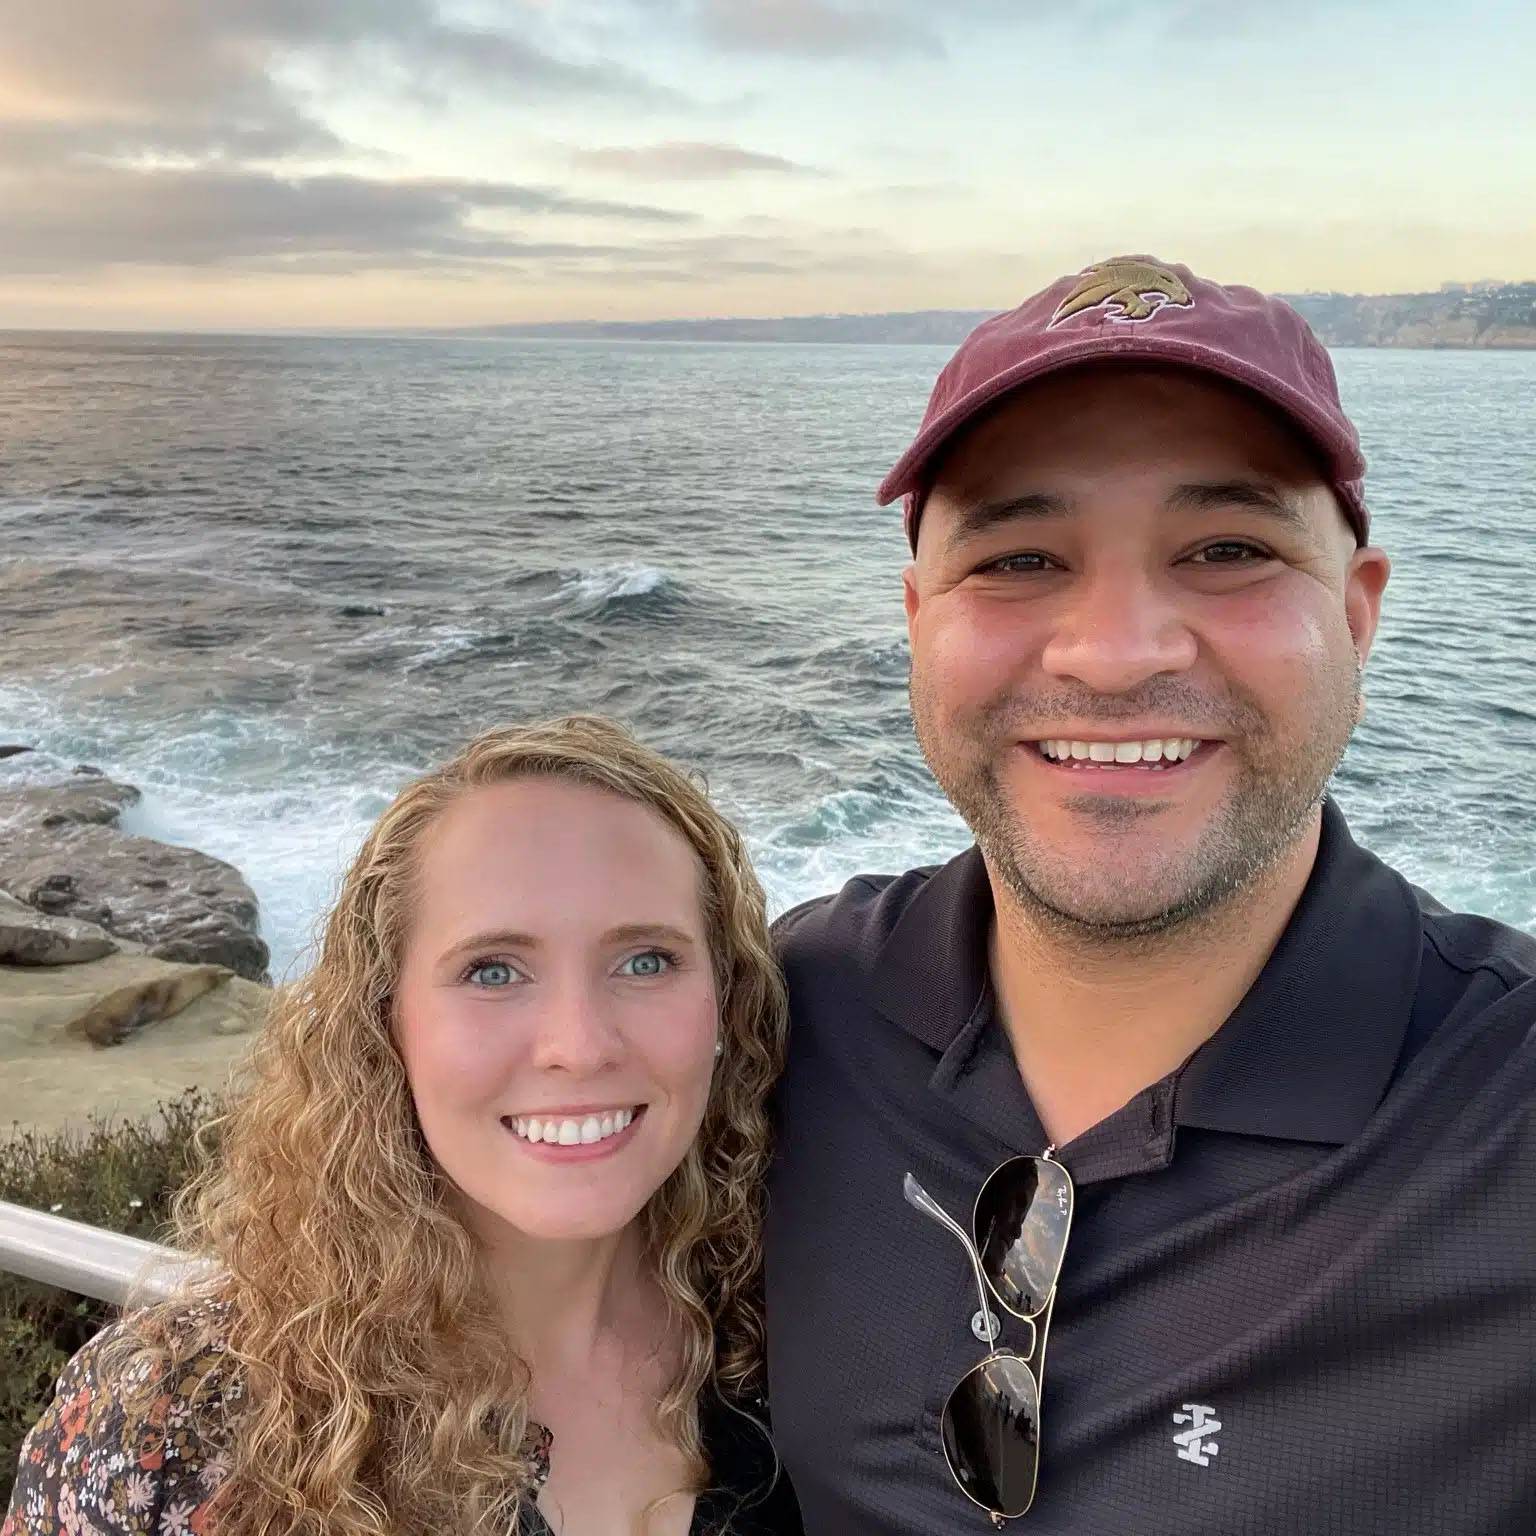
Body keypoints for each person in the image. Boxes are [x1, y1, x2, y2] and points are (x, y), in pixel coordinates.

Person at [765, 256, 1536, 1533]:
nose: (1116, 653)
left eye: (1228, 549)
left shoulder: (1504, 1120)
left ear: (1358, 614)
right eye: (1017, 559)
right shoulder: (786, 1015)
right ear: (918, 622)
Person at [5, 715, 801, 1536]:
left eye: (646, 960)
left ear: (726, 1003)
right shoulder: (175, 1423)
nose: (579, 1046)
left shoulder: (801, 1337)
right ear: (388, 1023)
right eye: (493, 970)